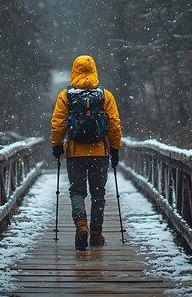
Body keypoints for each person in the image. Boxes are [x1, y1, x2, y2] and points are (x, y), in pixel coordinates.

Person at [51, 55, 122, 251]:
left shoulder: (66, 96)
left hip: (74, 153)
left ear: (74, 70)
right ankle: (96, 234)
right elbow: (114, 125)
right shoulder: (105, 96)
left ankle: (81, 225)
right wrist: (115, 149)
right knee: (98, 193)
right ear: (94, 71)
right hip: (100, 152)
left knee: (77, 191)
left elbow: (58, 123)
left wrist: (57, 145)